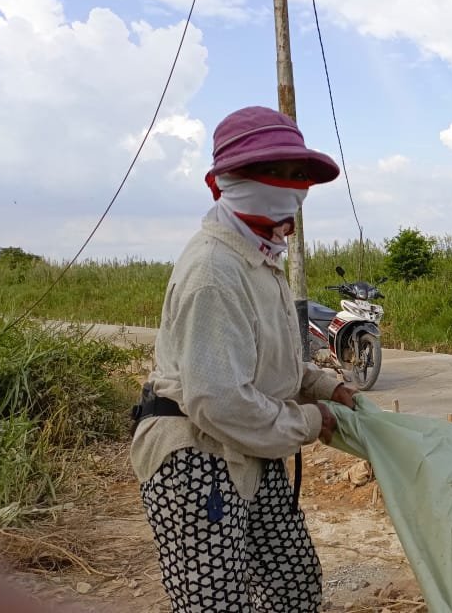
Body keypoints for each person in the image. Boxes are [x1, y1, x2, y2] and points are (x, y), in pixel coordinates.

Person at [130, 106, 358, 612]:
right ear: (232, 181)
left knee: (294, 584)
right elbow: (219, 399)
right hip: (196, 454)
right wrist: (308, 420)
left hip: (253, 444)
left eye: (301, 177)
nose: (295, 188)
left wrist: (324, 386)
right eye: (281, 173)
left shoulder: (261, 259)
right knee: (216, 602)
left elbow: (271, 360)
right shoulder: (214, 269)